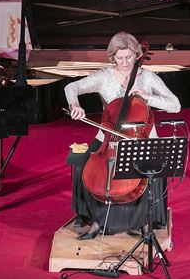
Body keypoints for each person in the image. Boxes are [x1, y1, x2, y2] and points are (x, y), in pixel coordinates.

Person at [64, 31, 181, 240]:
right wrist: (75, 105)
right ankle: (98, 221)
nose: (125, 62)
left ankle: (145, 222)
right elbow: (71, 87)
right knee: (85, 167)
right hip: (107, 139)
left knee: (148, 171)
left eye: (129, 57)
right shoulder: (104, 77)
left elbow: (175, 105)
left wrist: (148, 97)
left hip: (140, 138)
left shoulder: (148, 77)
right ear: (112, 57)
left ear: (137, 54)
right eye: (120, 58)